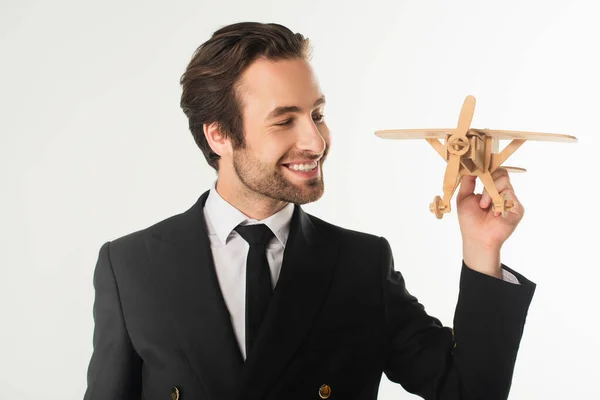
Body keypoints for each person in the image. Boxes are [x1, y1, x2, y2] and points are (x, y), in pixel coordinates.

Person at [83, 22, 536, 400]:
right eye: (284, 120)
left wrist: (482, 249)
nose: (316, 142)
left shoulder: (361, 263)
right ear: (219, 135)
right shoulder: (130, 266)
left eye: (317, 115)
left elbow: (469, 391)